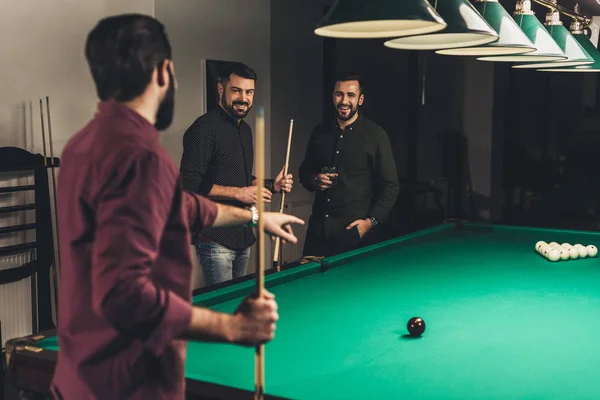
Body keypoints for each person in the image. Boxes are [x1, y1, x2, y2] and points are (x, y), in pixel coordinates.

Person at [51, 14, 303, 400]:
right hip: (130, 381)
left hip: (82, 372)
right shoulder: (139, 156)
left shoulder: (81, 145)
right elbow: (126, 295)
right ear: (164, 73)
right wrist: (232, 328)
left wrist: (254, 215)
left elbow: (178, 207)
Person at [179, 62, 293, 285]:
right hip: (215, 237)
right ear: (221, 90)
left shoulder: (245, 130)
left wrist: (272, 185)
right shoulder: (204, 128)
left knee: (239, 301)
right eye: (237, 90)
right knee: (225, 307)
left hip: (242, 236)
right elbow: (188, 182)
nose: (244, 98)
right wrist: (239, 194)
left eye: (249, 92)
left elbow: (239, 177)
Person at [299, 72, 399, 257]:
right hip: (317, 234)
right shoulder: (320, 132)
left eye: (351, 95)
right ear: (333, 97)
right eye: (339, 94)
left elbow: (391, 187)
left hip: (355, 236)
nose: (344, 101)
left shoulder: (376, 135)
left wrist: (370, 223)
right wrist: (314, 179)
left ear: (360, 99)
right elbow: (304, 172)